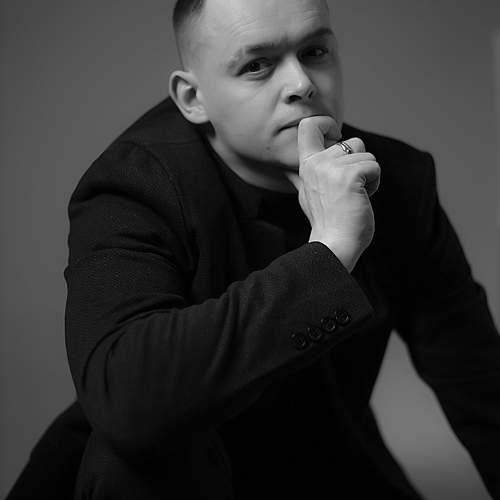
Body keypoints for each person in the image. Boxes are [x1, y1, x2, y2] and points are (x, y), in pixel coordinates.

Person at [7, 0, 500, 498]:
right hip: (159, 479)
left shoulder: (399, 181)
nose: (302, 83)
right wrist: (330, 253)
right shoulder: (133, 186)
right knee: (134, 454)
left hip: (325, 464)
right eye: (257, 65)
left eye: (315, 51)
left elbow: (480, 383)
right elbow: (127, 401)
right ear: (192, 98)